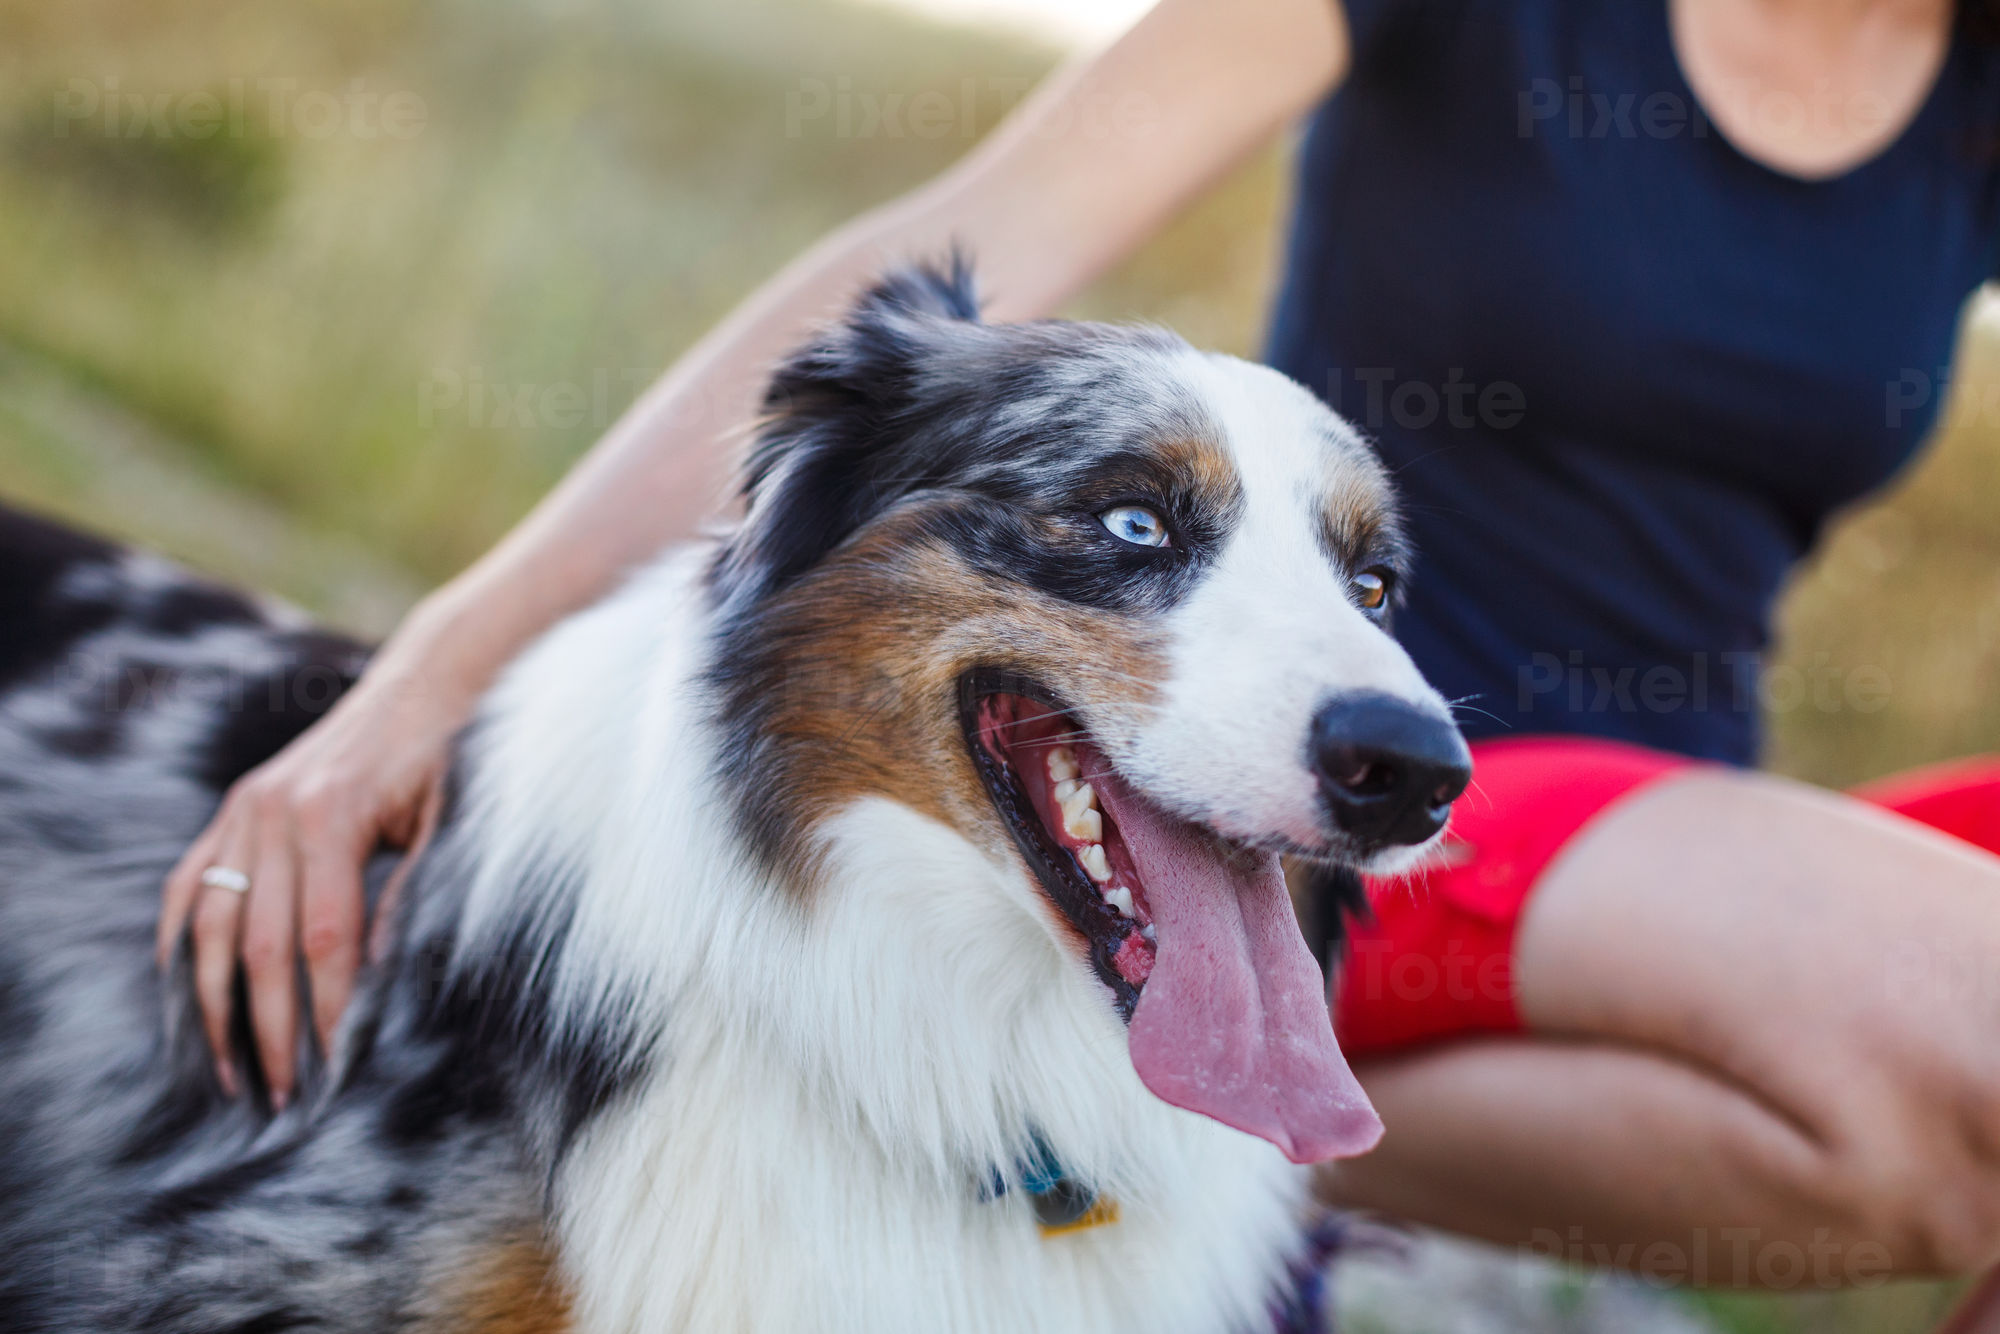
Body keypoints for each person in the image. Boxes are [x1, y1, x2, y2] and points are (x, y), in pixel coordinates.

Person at [159, 0, 2000, 1287]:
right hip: (1359, 757)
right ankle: (1208, 1100)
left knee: (1943, 1151)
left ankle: (1234, 1127)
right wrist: (430, 672)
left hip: (1683, 853)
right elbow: (932, 286)